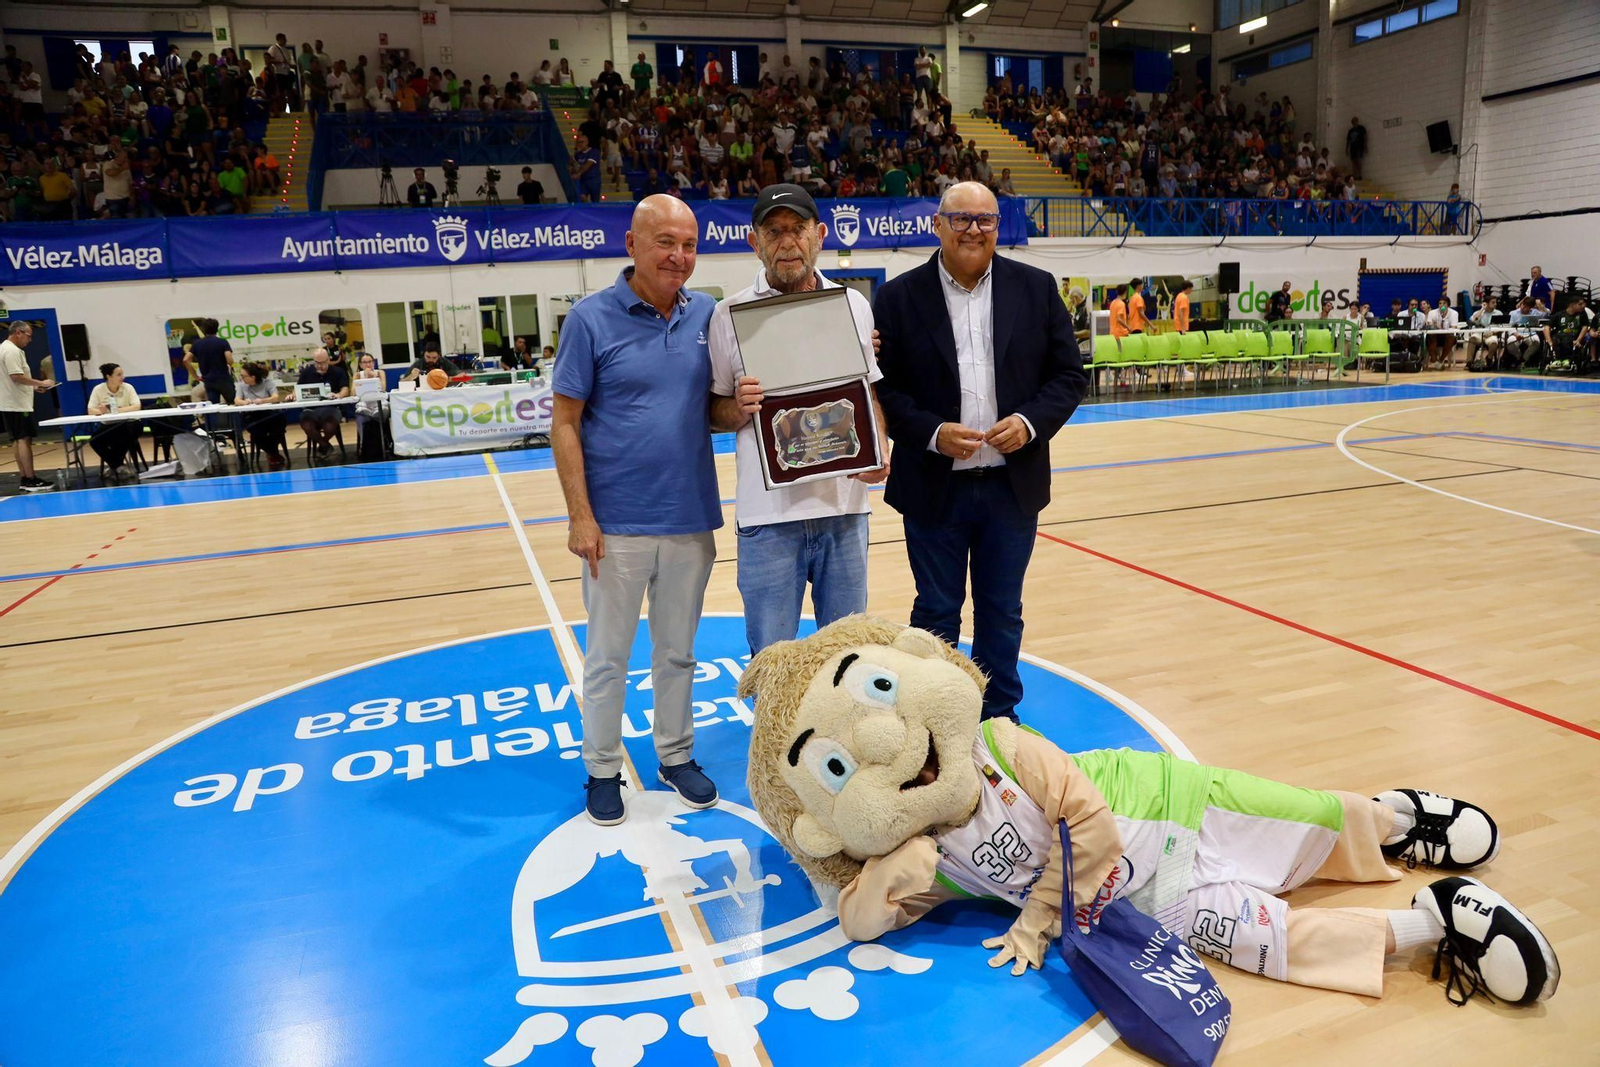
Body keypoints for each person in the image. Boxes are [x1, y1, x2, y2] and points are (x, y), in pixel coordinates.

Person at [872, 182, 1089, 722]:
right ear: (938, 226)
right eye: (961, 219)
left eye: (985, 220)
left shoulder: (1036, 288)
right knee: (936, 611)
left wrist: (1029, 423)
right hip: (933, 485)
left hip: (1010, 487)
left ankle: (997, 718)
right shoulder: (898, 297)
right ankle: (932, 716)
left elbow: (1068, 375)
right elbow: (883, 388)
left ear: (998, 227)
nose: (973, 229)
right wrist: (931, 433)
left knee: (1002, 611)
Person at [551, 195, 722, 826]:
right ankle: (602, 769)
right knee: (607, 659)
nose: (679, 256)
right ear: (632, 244)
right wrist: (580, 515)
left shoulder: (708, 314)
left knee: (678, 654)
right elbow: (564, 423)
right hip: (615, 527)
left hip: (689, 520)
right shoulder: (589, 319)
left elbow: (721, 405)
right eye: (665, 242)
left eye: (689, 244)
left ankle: (675, 756)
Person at [707, 184, 889, 659]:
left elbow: (868, 390)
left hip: (844, 510)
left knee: (848, 658)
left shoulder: (853, 305)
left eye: (798, 228)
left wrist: (880, 448)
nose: (787, 242)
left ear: (820, 235)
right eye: (773, 231)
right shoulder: (727, 315)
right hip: (767, 518)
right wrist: (738, 407)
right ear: (755, 242)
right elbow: (713, 411)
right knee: (773, 661)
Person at [2, 322, 55, 492]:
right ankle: (30, 479)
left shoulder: (3, 348)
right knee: (24, 439)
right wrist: (41, 382)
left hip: (10, 402)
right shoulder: (12, 351)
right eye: (28, 336)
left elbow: (12, 380)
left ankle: (25, 477)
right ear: (18, 332)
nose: (30, 340)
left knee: (17, 439)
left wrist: (33, 387)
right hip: (17, 403)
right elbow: (16, 376)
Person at [85, 362, 142, 481]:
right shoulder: (98, 389)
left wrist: (116, 410)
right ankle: (117, 465)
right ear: (108, 376)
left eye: (122, 374)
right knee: (95, 440)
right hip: (110, 424)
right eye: (119, 375)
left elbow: (137, 406)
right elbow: (90, 410)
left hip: (130, 423)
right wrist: (100, 411)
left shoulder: (128, 387)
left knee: (122, 434)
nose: (122, 377)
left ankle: (114, 467)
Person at [296, 347, 350, 457]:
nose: (320, 366)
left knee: (330, 426)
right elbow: (298, 388)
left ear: (328, 360)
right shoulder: (306, 372)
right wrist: (293, 395)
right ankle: (325, 445)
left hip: (331, 409)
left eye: (323, 363)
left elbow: (345, 389)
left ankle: (322, 445)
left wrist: (338, 395)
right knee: (307, 425)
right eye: (317, 363)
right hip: (310, 409)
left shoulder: (338, 372)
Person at [235, 361, 287, 469]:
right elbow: (237, 400)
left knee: (279, 427)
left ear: (252, 377)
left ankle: (272, 454)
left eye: (243, 376)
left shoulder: (267, 383)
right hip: (251, 415)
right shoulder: (242, 385)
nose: (242, 378)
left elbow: (275, 397)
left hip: (268, 414)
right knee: (257, 433)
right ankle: (274, 454)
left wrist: (263, 400)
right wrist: (245, 402)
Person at [187, 317, 236, 405]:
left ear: (204, 329)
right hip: (224, 379)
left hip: (209, 381)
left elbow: (185, 360)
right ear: (217, 329)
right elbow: (230, 360)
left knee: (213, 406)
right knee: (232, 404)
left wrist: (195, 376)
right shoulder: (222, 342)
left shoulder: (197, 344)